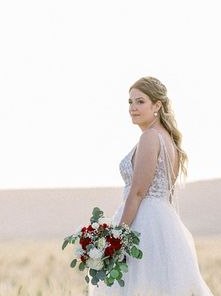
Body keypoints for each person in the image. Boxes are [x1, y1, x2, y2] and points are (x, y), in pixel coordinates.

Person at [88, 76, 214, 296]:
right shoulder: (168, 140)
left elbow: (137, 192)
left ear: (157, 105)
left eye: (140, 101)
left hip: (143, 224)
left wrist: (117, 238)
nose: (133, 108)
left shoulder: (150, 137)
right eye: (130, 102)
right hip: (163, 225)